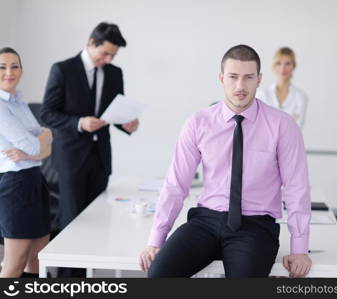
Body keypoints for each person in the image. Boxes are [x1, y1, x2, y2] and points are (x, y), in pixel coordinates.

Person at [140, 45, 312, 278]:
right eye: (233, 77)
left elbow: (296, 188)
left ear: (259, 79)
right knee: (159, 273)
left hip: (256, 226)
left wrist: (299, 248)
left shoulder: (283, 125)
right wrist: (156, 238)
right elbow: (176, 183)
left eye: (248, 77)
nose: (240, 86)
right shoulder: (198, 123)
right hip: (206, 221)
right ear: (221, 78)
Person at [40, 22, 139, 232]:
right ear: (91, 43)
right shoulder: (63, 70)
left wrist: (127, 124)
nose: (108, 60)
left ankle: (88, 267)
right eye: (105, 54)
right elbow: (47, 113)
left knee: (98, 222)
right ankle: (68, 267)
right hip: (70, 159)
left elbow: (114, 112)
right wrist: (79, 123)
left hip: (100, 158)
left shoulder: (114, 73)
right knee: (72, 223)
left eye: (113, 55)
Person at [0, 47, 53, 278]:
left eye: (14, 66)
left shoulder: (18, 102)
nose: (9, 72)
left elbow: (46, 141)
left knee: (38, 259)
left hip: (34, 180)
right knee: (15, 261)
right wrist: (41, 142)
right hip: (15, 185)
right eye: (2, 67)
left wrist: (40, 142)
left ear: (21, 70)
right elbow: (36, 145)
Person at [256, 47, 308, 128]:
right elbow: (260, 124)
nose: (283, 68)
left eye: (287, 63)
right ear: (274, 66)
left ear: (293, 66)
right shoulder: (262, 94)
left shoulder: (301, 96)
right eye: (279, 63)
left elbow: (297, 126)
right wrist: (289, 120)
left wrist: (271, 121)